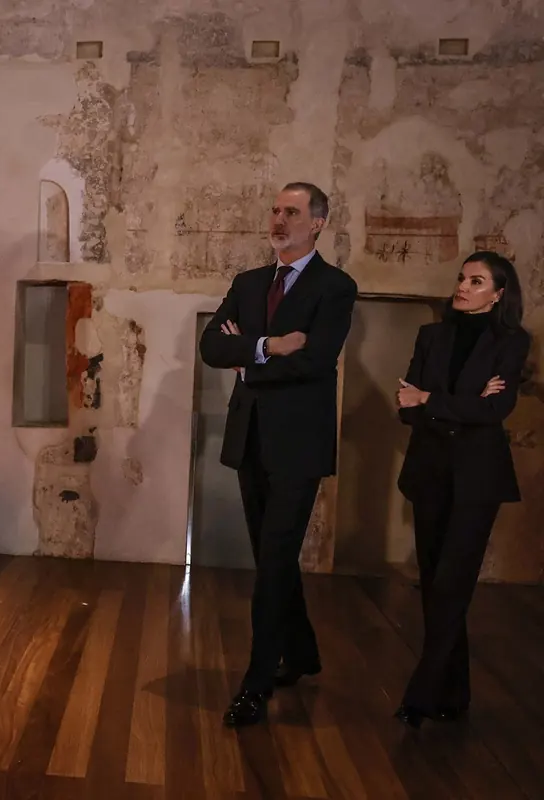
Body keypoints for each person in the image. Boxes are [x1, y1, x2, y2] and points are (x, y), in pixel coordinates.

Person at [199, 181, 358, 727]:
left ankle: (257, 680)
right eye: (275, 210)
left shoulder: (335, 287)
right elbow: (211, 346)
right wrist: (268, 346)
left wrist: (246, 361)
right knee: (273, 556)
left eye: (292, 212)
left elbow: (316, 361)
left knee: (272, 562)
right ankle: (303, 652)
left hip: (298, 446)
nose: (279, 219)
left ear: (317, 223)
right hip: (251, 438)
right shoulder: (247, 283)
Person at [393, 251, 531, 727]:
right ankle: (455, 692)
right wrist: (459, 403)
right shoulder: (431, 336)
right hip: (429, 471)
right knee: (435, 583)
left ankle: (422, 692)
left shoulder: (512, 341)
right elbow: (405, 408)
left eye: (476, 281)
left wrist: (430, 399)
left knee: (453, 583)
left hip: (478, 478)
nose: (463, 286)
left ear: (498, 294)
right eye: (462, 278)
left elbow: (495, 411)